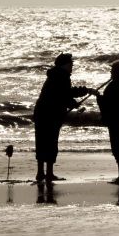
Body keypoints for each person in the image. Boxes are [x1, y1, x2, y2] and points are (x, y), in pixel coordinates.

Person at [32, 53, 95, 182]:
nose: (72, 66)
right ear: (65, 64)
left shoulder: (55, 75)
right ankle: (48, 174)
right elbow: (64, 95)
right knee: (51, 142)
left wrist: (73, 102)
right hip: (50, 113)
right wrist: (86, 91)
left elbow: (61, 95)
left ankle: (41, 173)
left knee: (42, 141)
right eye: (71, 64)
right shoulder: (62, 77)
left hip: (42, 112)